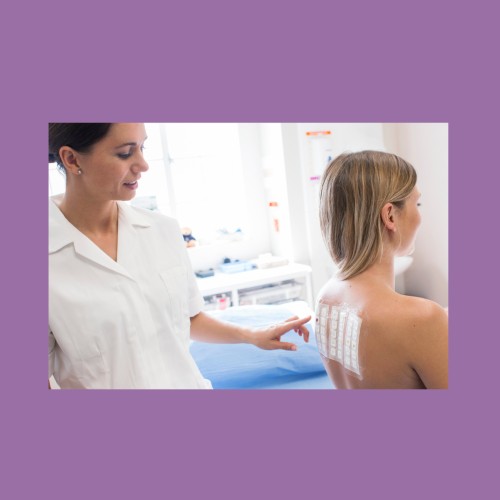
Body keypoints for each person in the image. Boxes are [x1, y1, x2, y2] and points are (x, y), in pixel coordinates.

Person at [48, 123, 310, 389]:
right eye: (126, 153)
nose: (143, 164)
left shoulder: (162, 230)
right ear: (71, 159)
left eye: (142, 148)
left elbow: (189, 318)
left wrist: (252, 335)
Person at [316, 150, 448, 389]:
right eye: (416, 203)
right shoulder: (423, 318)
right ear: (390, 216)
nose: (419, 215)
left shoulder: (326, 296)